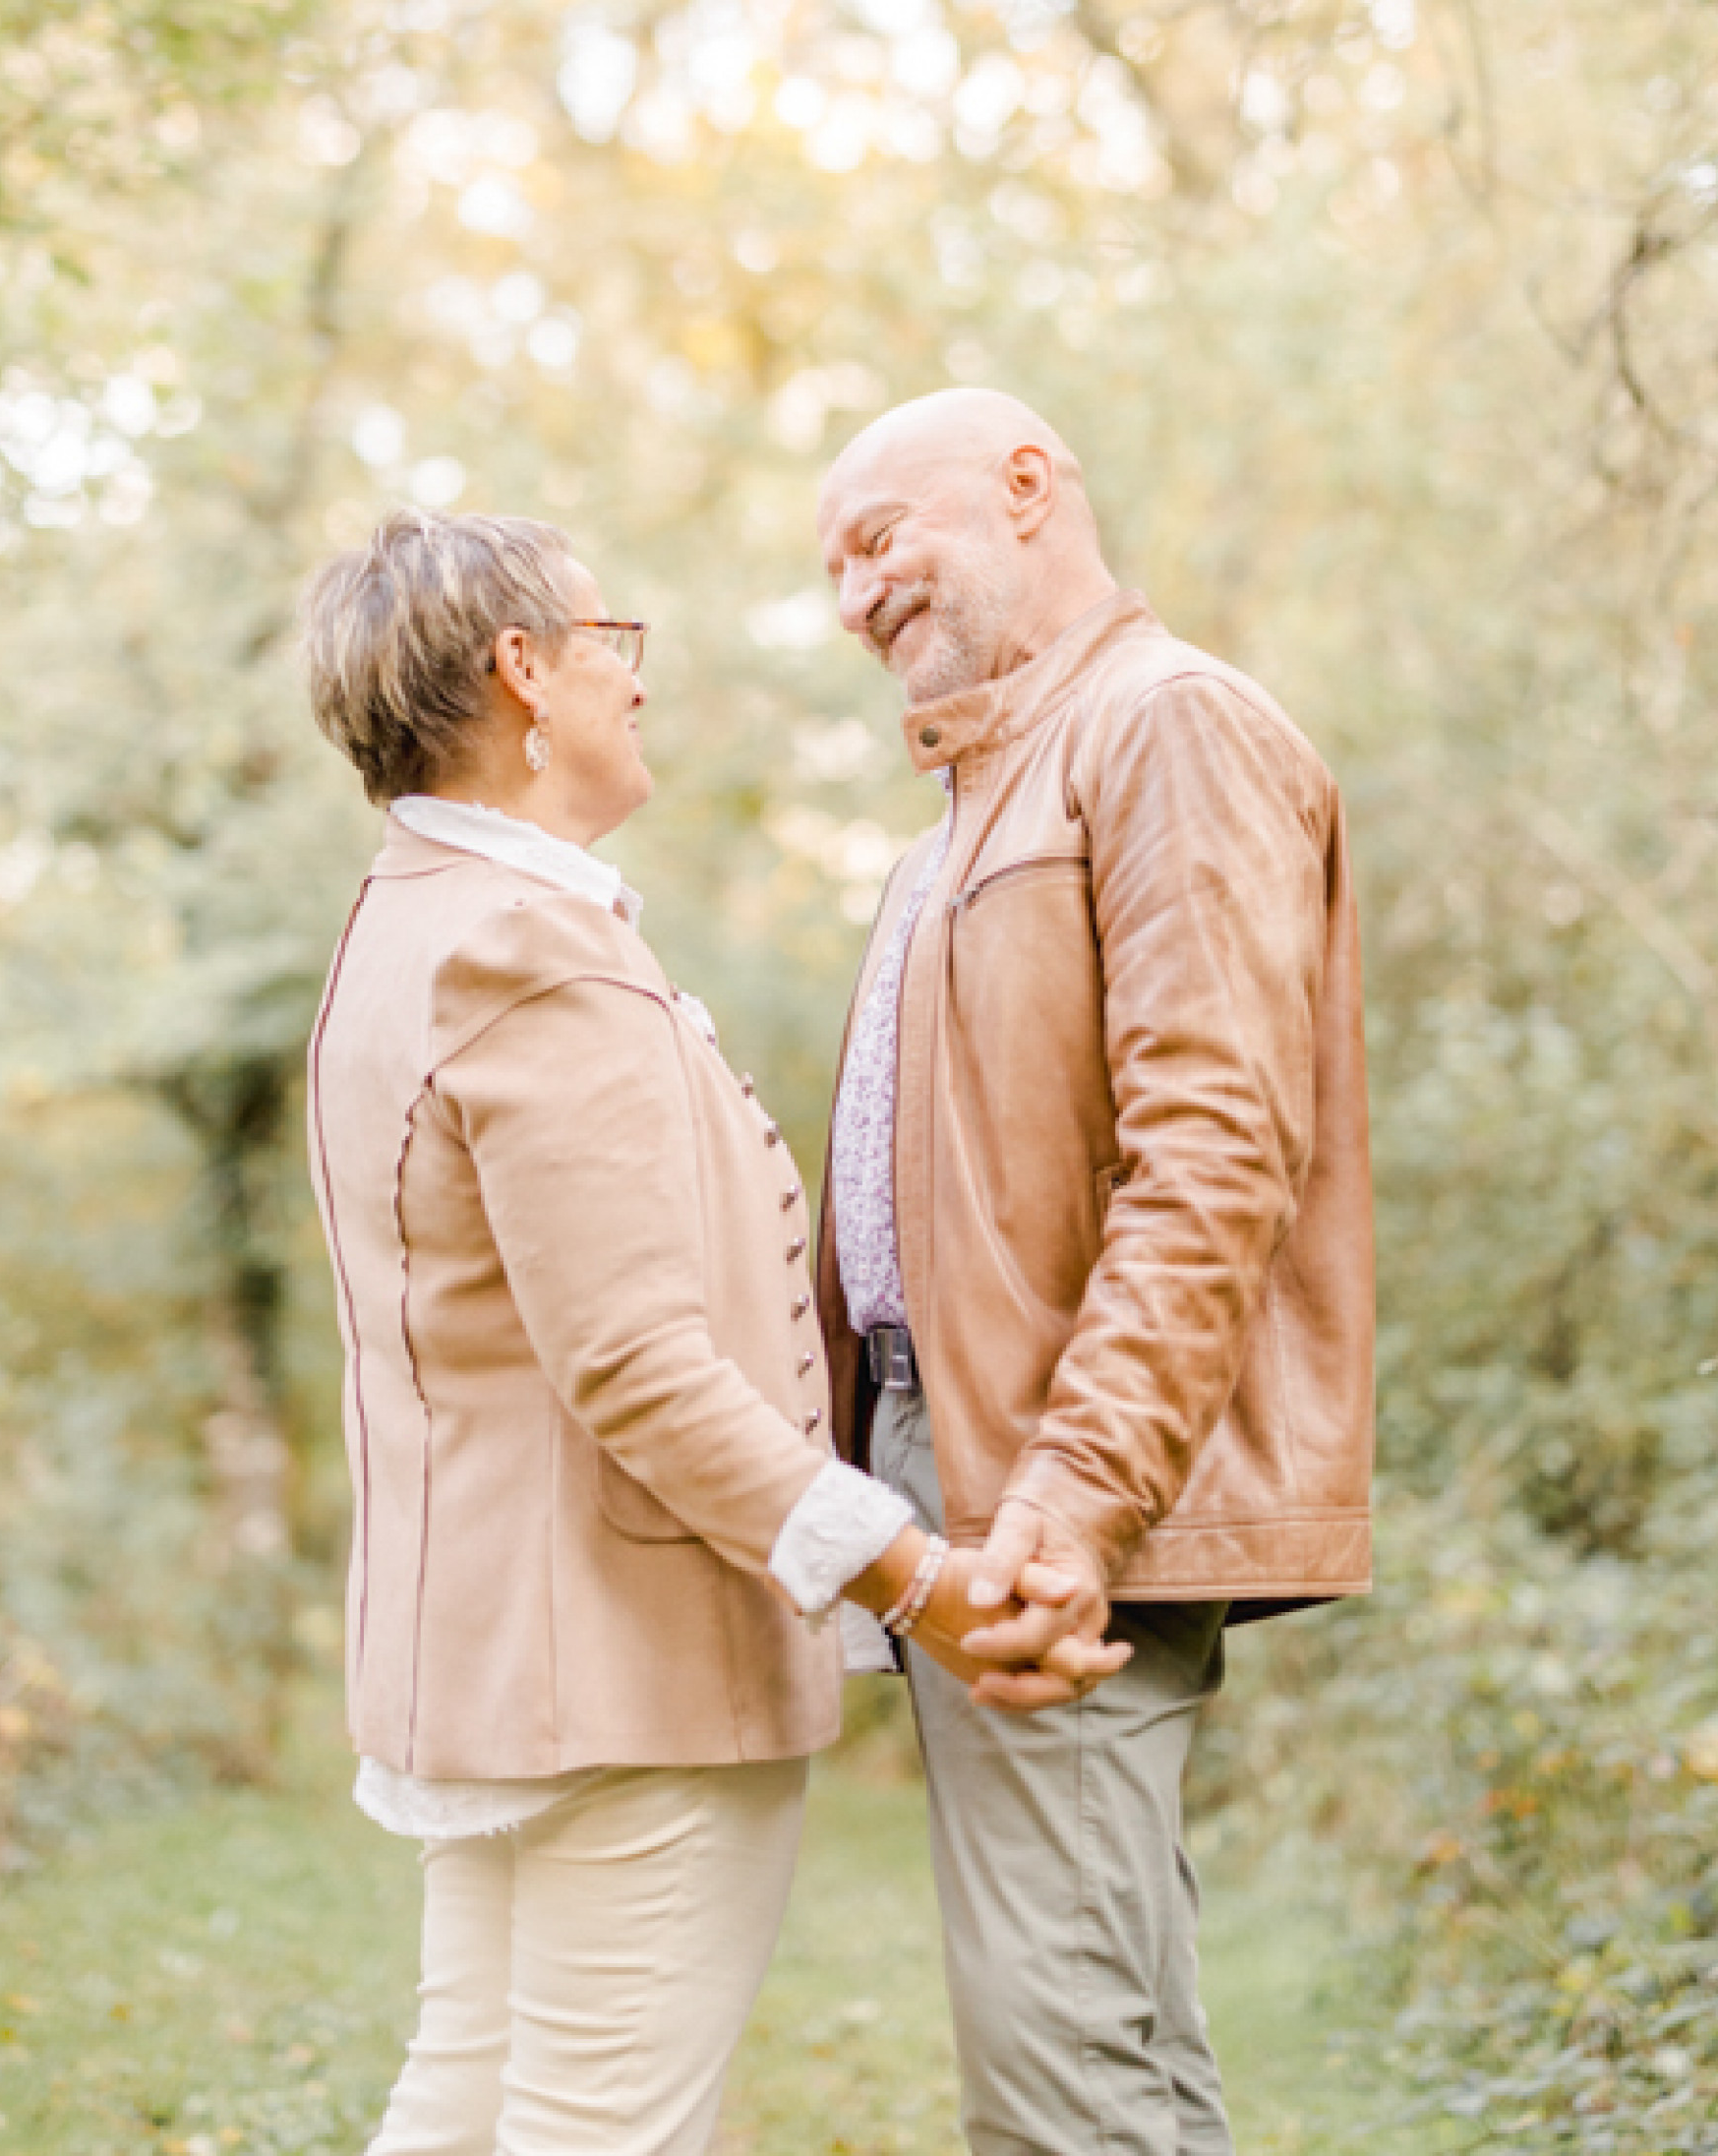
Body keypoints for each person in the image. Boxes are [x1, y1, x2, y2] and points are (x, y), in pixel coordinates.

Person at [295, 505, 1116, 2156]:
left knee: (466, 2100)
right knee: (602, 2131)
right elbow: (639, 1364)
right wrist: (912, 1578)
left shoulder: (406, 923)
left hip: (489, 1657)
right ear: (524, 672)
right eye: (614, 644)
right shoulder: (531, 950)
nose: (632, 683)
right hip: (626, 1672)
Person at [815, 389, 1375, 2156]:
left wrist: (1068, 1495)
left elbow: (1216, 1152)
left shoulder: (1167, 726)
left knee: (1059, 2063)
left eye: (880, 536)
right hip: (966, 1460)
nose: (855, 597)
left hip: (1050, 1482)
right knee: (1104, 2029)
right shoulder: (982, 798)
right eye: (835, 567)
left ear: (1030, 487)